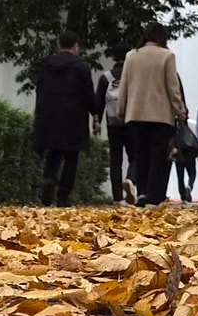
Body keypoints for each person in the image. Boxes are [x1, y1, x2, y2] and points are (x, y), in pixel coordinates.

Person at [117, 22, 187, 207]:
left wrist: (121, 109)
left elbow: (124, 85)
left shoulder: (131, 56)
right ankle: (154, 196)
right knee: (158, 156)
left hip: (136, 114)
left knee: (141, 154)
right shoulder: (167, 56)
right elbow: (173, 88)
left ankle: (141, 192)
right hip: (160, 116)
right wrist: (180, 111)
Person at [33, 30, 97, 207]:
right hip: (74, 117)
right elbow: (88, 94)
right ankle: (63, 196)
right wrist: (95, 115)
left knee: (53, 151)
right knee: (71, 157)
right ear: (76, 47)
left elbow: (39, 89)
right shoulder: (81, 67)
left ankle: (49, 178)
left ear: (58, 45)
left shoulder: (45, 64)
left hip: (49, 115)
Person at [94, 42, 135, 206]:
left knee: (115, 160)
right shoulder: (134, 75)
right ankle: (131, 179)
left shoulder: (106, 77)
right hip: (132, 121)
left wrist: (96, 121)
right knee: (136, 156)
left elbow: (99, 102)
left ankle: (117, 198)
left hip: (113, 123)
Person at [172, 121, 198, 203]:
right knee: (192, 173)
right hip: (190, 153)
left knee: (180, 176)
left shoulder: (174, 126)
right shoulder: (192, 125)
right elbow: (196, 139)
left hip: (179, 154)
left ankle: (182, 195)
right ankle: (189, 187)